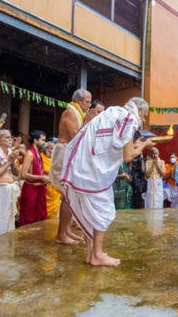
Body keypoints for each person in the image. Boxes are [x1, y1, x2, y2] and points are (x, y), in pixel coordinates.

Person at [62, 97, 153, 266]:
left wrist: (138, 145)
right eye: (145, 115)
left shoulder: (113, 112)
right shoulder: (129, 118)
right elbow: (127, 156)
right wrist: (144, 146)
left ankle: (91, 254)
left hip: (82, 167)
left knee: (90, 212)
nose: (144, 120)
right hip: (93, 171)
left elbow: (116, 146)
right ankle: (97, 254)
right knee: (102, 211)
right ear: (138, 110)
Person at [50, 89, 91, 245]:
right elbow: (75, 138)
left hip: (71, 155)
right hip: (65, 154)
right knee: (68, 195)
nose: (88, 105)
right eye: (87, 102)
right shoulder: (70, 113)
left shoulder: (77, 113)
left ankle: (66, 231)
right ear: (79, 101)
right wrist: (87, 121)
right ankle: (61, 234)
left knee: (70, 195)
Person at [19, 130, 49, 226]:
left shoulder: (38, 153)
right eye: (42, 140)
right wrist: (41, 177)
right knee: (28, 219)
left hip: (39, 189)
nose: (44, 142)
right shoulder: (30, 153)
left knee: (39, 220)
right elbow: (23, 174)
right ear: (35, 140)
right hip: (31, 189)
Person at [41, 140, 61, 219]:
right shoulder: (40, 158)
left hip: (55, 190)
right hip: (44, 189)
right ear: (45, 149)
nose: (53, 151)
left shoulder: (56, 159)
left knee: (54, 215)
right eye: (51, 148)